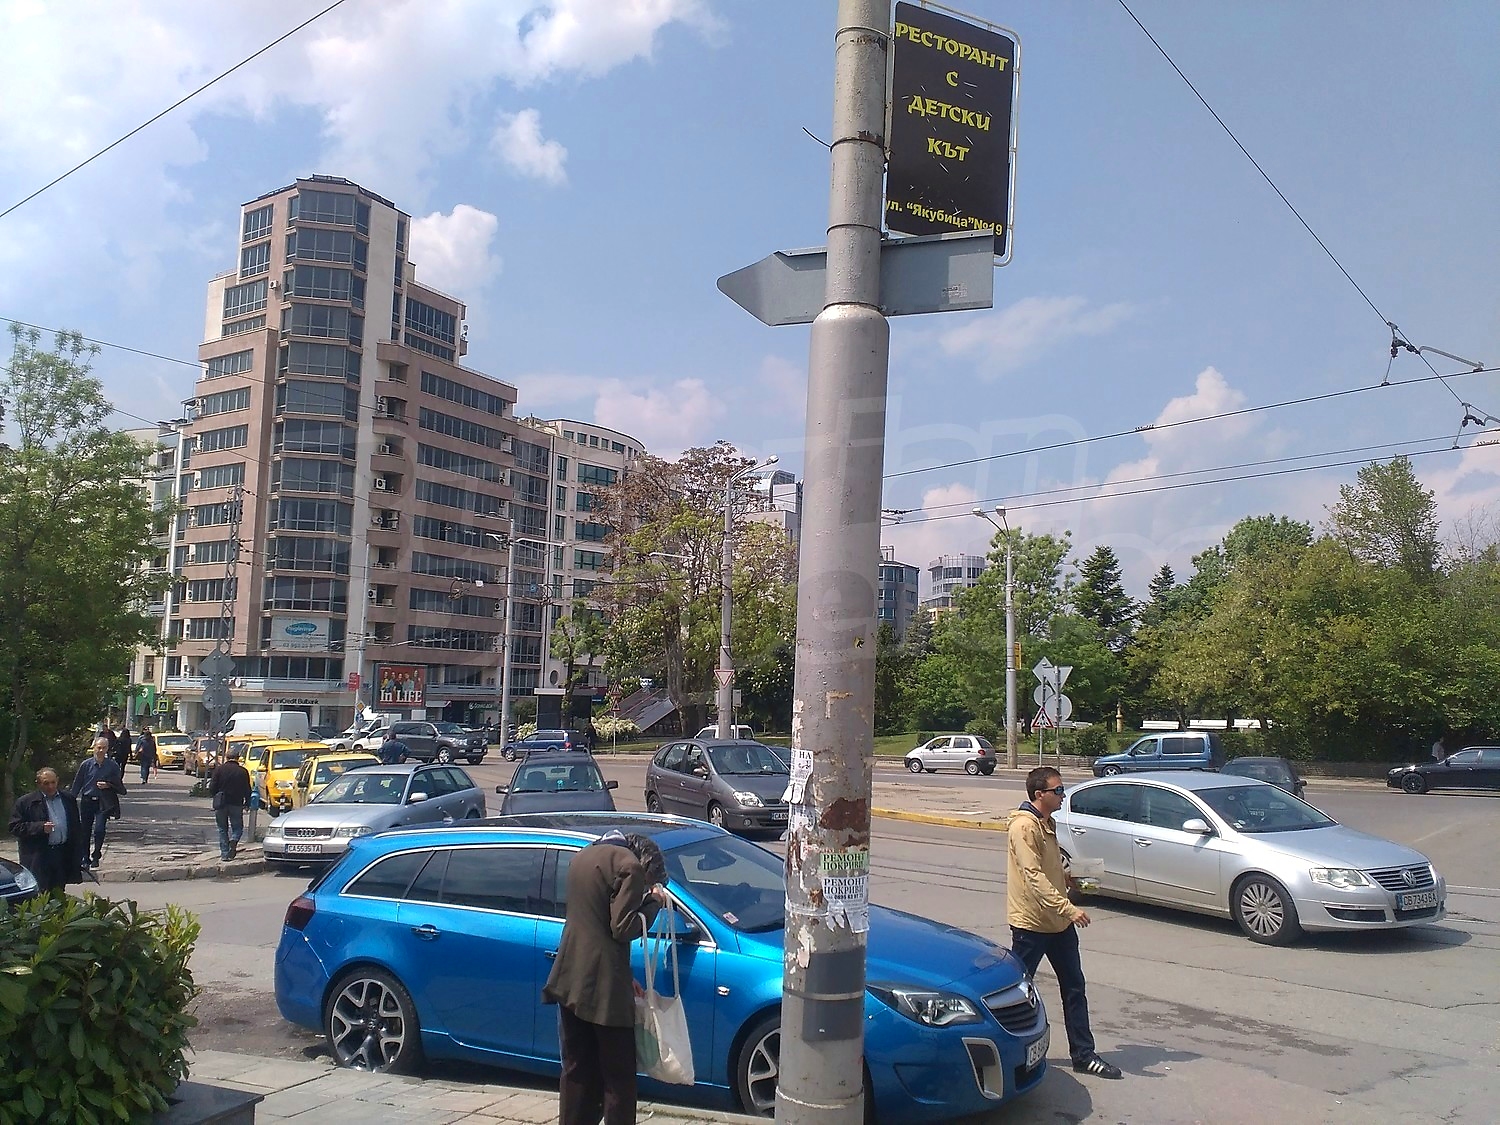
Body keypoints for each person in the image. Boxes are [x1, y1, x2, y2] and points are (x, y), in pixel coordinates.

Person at [543, 831, 671, 1125]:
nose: (644, 887)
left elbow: (595, 923)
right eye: (647, 883)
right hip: (604, 989)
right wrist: (652, 902)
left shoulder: (584, 856)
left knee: (577, 1069)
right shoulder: (630, 866)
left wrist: (626, 976)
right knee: (619, 1076)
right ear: (646, 866)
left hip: (570, 976)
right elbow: (622, 928)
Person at [1007, 766, 1122, 1081]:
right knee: (1017, 992)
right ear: (1039, 794)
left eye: (1062, 789)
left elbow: (1050, 868)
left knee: (1074, 987)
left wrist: (1072, 878)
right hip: (1031, 925)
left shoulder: (1048, 823)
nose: (1063, 795)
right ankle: (1013, 1053)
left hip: (1058, 925)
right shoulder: (1023, 827)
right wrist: (1068, 909)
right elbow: (1033, 876)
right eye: (1057, 790)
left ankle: (1083, 1055)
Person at [8, 767, 86, 894]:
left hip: (61, 855)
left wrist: (78, 854)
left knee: (58, 894)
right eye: (46, 783)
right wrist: (39, 827)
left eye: (53, 782)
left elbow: (76, 828)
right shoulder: (26, 802)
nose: (50, 786)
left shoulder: (68, 799)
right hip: (39, 856)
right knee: (40, 894)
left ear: (57, 781)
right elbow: (14, 827)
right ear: (38, 783)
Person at [71, 735, 127, 870]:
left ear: (107, 749)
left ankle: (96, 855)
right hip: (87, 801)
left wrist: (108, 785)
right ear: (94, 748)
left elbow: (120, 786)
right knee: (85, 831)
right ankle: (85, 857)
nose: (101, 750)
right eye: (99, 747)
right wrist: (71, 800)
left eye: (104, 748)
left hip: (103, 802)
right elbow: (77, 783)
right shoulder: (86, 765)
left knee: (99, 830)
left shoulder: (112, 766)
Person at [209, 746, 252, 860]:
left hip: (221, 803)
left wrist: (216, 796)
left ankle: (224, 854)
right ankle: (234, 839)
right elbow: (247, 789)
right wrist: (247, 803)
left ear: (227, 757)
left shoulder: (219, 770)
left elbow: (212, 787)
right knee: (237, 827)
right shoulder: (242, 771)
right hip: (236, 803)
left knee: (222, 829)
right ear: (238, 758)